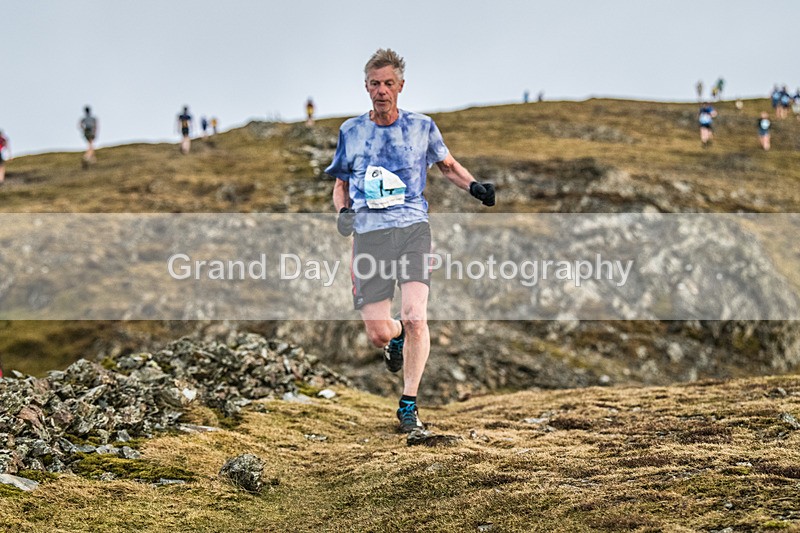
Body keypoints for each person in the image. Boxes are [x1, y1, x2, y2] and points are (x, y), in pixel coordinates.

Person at [325, 48, 496, 434]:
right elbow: (340, 185)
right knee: (379, 333)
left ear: (401, 86)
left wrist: (476, 187)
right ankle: (396, 338)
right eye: (375, 84)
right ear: (365, 87)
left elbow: (448, 166)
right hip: (370, 234)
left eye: (388, 83)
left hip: (413, 228)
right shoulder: (351, 132)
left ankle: (408, 405)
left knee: (417, 314)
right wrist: (343, 212)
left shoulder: (422, 126)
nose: (381, 90)